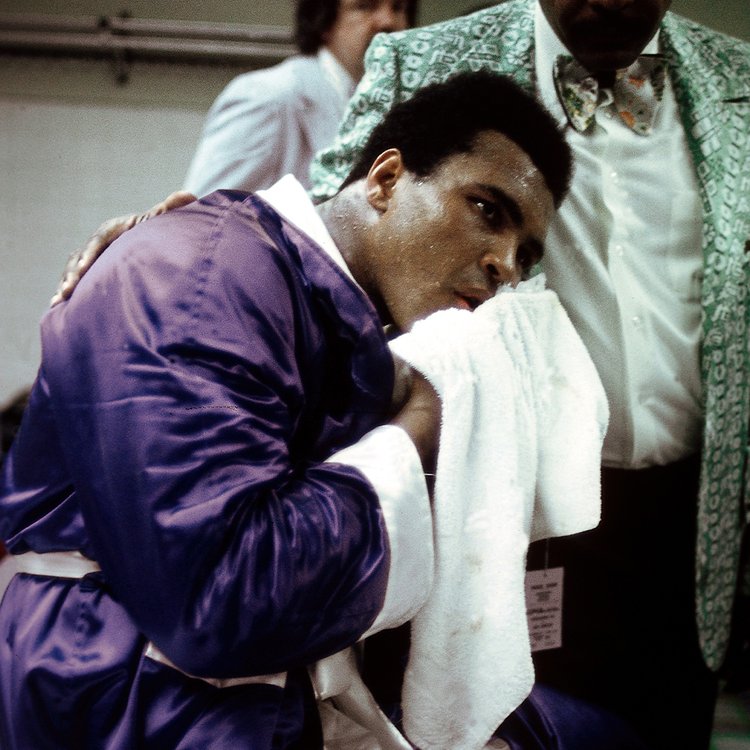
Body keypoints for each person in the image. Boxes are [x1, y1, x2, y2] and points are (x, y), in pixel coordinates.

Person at [0, 71, 575, 750]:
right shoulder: (205, 272)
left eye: (526, 253)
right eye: (487, 209)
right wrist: (420, 427)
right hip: (120, 690)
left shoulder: (346, 319)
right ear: (386, 180)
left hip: (217, 694)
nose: (506, 264)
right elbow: (221, 598)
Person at [310, 1, 750, 748]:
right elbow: (327, 239)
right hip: (500, 508)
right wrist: (181, 233)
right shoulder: (422, 62)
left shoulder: (737, 79)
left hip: (692, 521)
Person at [183, 0, 417, 196]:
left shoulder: (401, 106)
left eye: (398, 7)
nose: (389, 22)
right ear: (323, 20)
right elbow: (204, 224)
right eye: (365, 6)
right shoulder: (268, 96)